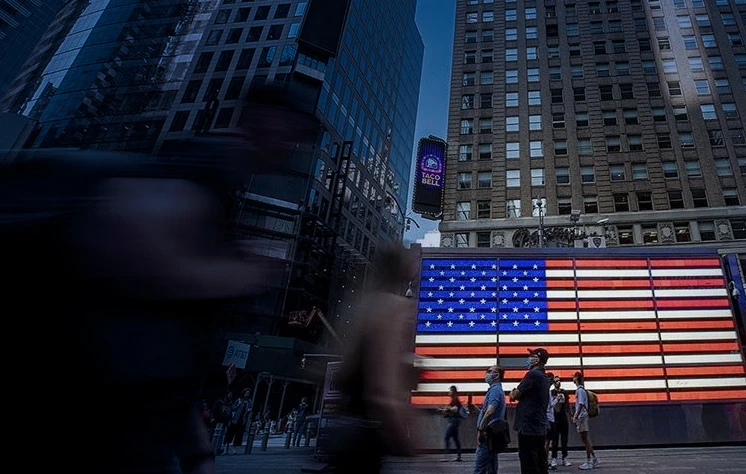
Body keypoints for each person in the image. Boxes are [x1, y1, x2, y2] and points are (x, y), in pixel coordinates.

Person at [0, 85, 304, 474]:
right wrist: (234, 275)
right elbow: (125, 238)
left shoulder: (223, 179)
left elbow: (173, 346)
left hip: (135, 420)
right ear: (265, 120)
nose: (293, 146)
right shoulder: (209, 163)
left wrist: (198, 454)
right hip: (97, 414)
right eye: (292, 132)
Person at [327, 242, 420, 473]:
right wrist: (405, 441)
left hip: (344, 432)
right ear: (403, 268)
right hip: (366, 440)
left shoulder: (363, 303)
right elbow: (381, 389)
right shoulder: (394, 308)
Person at [510, 348, 550, 474]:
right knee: (540, 461)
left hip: (528, 426)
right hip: (539, 426)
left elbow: (515, 395)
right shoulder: (544, 377)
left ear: (537, 359)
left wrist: (513, 392)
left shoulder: (532, 375)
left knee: (528, 462)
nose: (528, 359)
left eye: (531, 356)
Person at [474, 365, 506, 474]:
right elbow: (488, 412)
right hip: (492, 434)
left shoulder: (495, 390)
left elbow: (490, 411)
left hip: (487, 435)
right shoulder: (497, 390)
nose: (486, 374)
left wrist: (480, 429)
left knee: (479, 469)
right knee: (491, 468)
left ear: (496, 375)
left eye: (489, 371)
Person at [572, 372, 598, 470]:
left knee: (585, 439)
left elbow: (581, 404)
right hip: (582, 416)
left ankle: (589, 461)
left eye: (574, 377)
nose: (573, 379)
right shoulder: (581, 390)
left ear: (576, 378)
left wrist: (575, 416)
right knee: (584, 439)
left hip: (582, 417)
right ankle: (594, 458)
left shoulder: (580, 391)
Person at [546, 376, 571, 469]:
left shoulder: (563, 392)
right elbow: (550, 405)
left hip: (563, 417)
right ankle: (554, 458)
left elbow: (567, 404)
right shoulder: (552, 392)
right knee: (555, 439)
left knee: (564, 438)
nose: (558, 382)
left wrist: (571, 415)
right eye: (556, 381)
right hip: (555, 417)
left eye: (559, 381)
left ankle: (565, 457)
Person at [440, 385, 464, 462]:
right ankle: (459, 456)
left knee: (447, 437)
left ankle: (446, 457)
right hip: (454, 421)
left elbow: (455, 410)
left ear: (453, 392)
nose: (449, 392)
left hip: (454, 421)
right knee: (456, 439)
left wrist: (447, 408)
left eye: (450, 391)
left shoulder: (455, 400)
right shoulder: (453, 400)